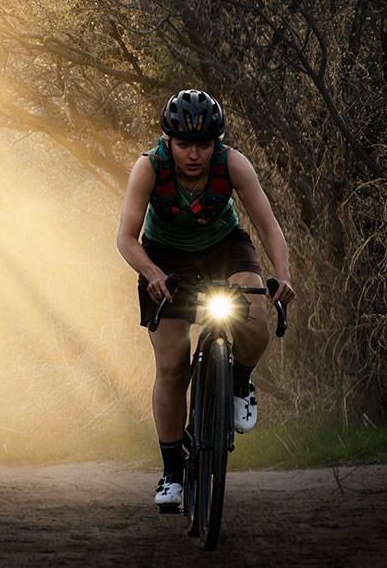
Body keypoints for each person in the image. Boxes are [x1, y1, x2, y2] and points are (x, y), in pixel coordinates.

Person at [116, 89, 294, 507]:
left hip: (223, 247)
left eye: (203, 144)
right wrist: (152, 273)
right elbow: (125, 237)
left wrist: (282, 276)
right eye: (183, 145)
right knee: (173, 363)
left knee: (253, 319)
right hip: (164, 258)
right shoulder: (148, 168)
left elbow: (268, 226)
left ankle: (239, 383)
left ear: (216, 142)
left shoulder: (232, 164)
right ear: (168, 141)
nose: (193, 154)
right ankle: (172, 472)